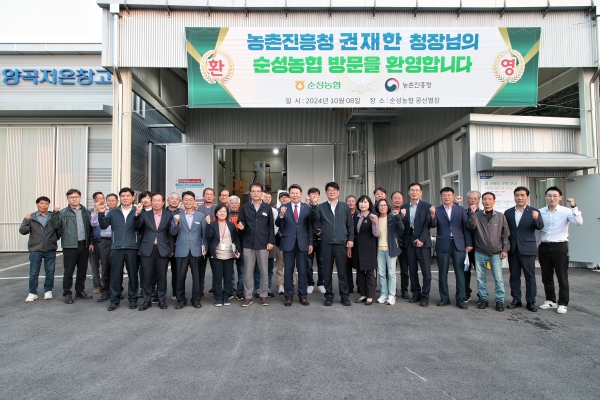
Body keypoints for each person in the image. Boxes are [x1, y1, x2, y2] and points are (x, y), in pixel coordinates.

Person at [536, 187, 583, 314]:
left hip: (560, 246)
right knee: (546, 275)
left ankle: (563, 303)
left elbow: (579, 222)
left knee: (562, 275)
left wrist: (574, 206)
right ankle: (550, 300)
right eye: (549, 195)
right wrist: (537, 248)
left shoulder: (566, 211)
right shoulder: (540, 212)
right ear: (545, 197)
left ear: (560, 198)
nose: (552, 198)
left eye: (555, 196)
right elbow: (538, 232)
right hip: (544, 246)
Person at [96, 187, 141, 311]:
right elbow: (103, 226)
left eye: (128, 196)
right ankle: (114, 300)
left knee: (133, 275)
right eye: (123, 196)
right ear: (120, 198)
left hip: (132, 247)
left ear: (133, 197)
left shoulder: (137, 210)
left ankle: (133, 299)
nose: (125, 198)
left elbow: (140, 226)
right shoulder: (113, 212)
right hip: (116, 247)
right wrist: (101, 213)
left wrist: (138, 214)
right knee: (115, 275)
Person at [312, 182, 354, 306]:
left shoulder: (344, 207)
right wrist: (314, 206)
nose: (332, 192)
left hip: (341, 243)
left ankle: (344, 296)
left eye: (335, 190)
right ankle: (329, 296)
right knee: (327, 271)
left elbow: (350, 225)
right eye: (329, 190)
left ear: (338, 192)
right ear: (326, 192)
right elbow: (315, 219)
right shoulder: (321, 207)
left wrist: (350, 239)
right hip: (326, 243)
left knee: (342, 272)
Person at [430, 187, 472, 310]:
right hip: (443, 243)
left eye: (449, 195)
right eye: (444, 195)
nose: (447, 197)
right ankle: (444, 298)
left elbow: (465, 227)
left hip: (459, 243)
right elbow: (432, 225)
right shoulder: (437, 210)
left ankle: (460, 298)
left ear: (453, 196)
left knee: (460, 272)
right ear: (441, 197)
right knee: (443, 272)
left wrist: (468, 243)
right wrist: (432, 214)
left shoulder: (460, 209)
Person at [468, 192, 510, 312]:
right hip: (480, 252)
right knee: (480, 278)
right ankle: (483, 299)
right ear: (482, 201)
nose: (487, 201)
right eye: (485, 199)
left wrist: (505, 249)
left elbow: (505, 235)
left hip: (496, 252)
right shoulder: (477, 215)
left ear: (494, 201)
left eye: (490, 199)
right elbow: (471, 226)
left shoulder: (500, 216)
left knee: (498, 278)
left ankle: (499, 300)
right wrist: (472, 214)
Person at [50, 189, 94, 304]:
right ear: (68, 199)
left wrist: (91, 242)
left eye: (76, 197)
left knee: (82, 270)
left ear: (80, 197)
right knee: (69, 271)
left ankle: (80, 291)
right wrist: (55, 212)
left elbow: (90, 229)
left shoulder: (86, 212)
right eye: (71, 197)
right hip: (70, 245)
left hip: (84, 245)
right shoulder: (62, 213)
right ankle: (67, 293)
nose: (74, 199)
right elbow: (55, 225)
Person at [504, 186, 544, 312]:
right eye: (517, 195)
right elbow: (506, 231)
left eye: (522, 195)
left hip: (527, 248)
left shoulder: (534, 211)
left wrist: (536, 218)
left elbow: (540, 226)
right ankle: (516, 299)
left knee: (529, 276)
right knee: (514, 275)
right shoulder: (508, 212)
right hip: (513, 249)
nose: (519, 198)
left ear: (528, 197)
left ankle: (531, 301)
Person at [276, 184, 314, 306]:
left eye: (297, 193)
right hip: (288, 243)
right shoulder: (284, 207)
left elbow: (310, 227)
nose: (295, 195)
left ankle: (303, 295)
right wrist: (281, 215)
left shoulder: (307, 208)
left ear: (301, 194)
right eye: (292, 193)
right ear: (290, 194)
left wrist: (311, 243)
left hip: (303, 243)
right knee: (288, 270)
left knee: (303, 271)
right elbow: (277, 223)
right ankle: (288, 296)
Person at [135, 193, 174, 311]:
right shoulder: (144, 214)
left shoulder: (168, 215)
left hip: (162, 249)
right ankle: (146, 301)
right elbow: (137, 225)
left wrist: (171, 249)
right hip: (147, 248)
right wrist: (137, 213)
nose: (156, 203)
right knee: (147, 276)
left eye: (159, 200)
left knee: (162, 276)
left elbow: (170, 234)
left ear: (163, 202)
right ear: (151, 202)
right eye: (154, 200)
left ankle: (161, 300)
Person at [238, 182, 275, 307]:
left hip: (263, 243)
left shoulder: (267, 207)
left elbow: (270, 226)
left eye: (258, 191)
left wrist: (271, 242)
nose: (255, 193)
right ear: (250, 193)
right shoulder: (245, 207)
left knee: (264, 271)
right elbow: (241, 221)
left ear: (262, 193)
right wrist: (241, 226)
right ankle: (248, 296)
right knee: (248, 272)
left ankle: (263, 296)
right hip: (248, 243)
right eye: (253, 191)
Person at [170, 191, 208, 309]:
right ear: (182, 201)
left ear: (194, 201)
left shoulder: (200, 216)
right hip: (181, 250)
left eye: (191, 199)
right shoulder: (177, 216)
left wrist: (205, 247)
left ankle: (196, 299)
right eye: (186, 199)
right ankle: (180, 300)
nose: (188, 202)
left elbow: (204, 234)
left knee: (196, 276)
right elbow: (172, 233)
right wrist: (176, 223)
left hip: (196, 250)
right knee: (180, 276)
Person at [20, 196, 60, 302]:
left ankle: (48, 291)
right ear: (37, 204)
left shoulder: (53, 216)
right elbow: (23, 231)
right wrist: (26, 221)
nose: (44, 206)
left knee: (50, 271)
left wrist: (53, 239)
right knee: (34, 272)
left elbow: (58, 230)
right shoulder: (31, 217)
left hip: (50, 248)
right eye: (42, 203)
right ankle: (32, 293)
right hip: (36, 249)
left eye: (46, 203)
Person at [400, 183, 433, 307]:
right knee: (412, 270)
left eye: (417, 190)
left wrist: (422, 239)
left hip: (423, 241)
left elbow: (428, 224)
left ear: (421, 192)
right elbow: (401, 226)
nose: (414, 192)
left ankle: (425, 296)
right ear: (409, 192)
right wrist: (401, 217)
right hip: (409, 240)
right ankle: (416, 293)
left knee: (426, 272)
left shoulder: (427, 206)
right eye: (412, 190)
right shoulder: (404, 207)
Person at [207, 204, 242, 306]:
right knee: (217, 277)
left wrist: (238, 249)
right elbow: (208, 236)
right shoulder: (213, 225)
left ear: (227, 214)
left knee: (228, 277)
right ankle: (218, 298)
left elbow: (236, 238)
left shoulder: (231, 225)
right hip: (216, 255)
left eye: (224, 211)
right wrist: (208, 224)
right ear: (216, 213)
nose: (222, 213)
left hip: (229, 254)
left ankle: (226, 297)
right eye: (220, 211)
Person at [374, 198, 404, 305]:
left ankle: (392, 295)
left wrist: (398, 217)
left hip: (391, 249)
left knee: (391, 273)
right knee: (381, 273)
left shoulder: (392, 217)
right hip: (379, 249)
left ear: (388, 207)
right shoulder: (376, 218)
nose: (382, 207)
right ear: (377, 207)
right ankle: (384, 294)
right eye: (380, 205)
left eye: (384, 205)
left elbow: (402, 229)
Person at [352, 196, 380, 305]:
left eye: (365, 202)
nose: (363, 204)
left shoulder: (372, 216)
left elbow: (376, 234)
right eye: (361, 202)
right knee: (359, 272)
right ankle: (363, 294)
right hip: (357, 248)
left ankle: (370, 296)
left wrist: (375, 222)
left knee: (369, 273)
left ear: (369, 204)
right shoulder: (355, 216)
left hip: (369, 248)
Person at [95, 193, 118, 302]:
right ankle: (105, 291)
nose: (110, 202)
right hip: (105, 241)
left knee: (116, 268)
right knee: (105, 266)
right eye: (108, 200)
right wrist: (98, 212)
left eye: (113, 200)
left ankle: (116, 291)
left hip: (117, 241)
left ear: (117, 201)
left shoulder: (120, 212)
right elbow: (94, 223)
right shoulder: (103, 211)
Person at [254, 191, 276, 297]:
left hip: (271, 241)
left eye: (269, 197)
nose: (267, 199)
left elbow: (274, 227)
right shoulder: (256, 209)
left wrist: (271, 240)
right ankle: (258, 288)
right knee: (258, 267)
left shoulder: (274, 211)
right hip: (259, 242)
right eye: (265, 197)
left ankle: (268, 287)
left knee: (269, 267)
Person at [391, 191, 410, 299]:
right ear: (391, 200)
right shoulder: (388, 211)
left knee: (404, 269)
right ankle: (392, 290)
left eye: (399, 198)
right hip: (392, 244)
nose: (397, 200)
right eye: (395, 198)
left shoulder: (407, 211)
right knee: (391, 269)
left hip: (404, 244)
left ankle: (404, 290)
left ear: (403, 200)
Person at [306, 187, 325, 294]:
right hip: (309, 240)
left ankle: (321, 284)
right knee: (308, 264)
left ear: (319, 196)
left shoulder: (322, 207)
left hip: (321, 240)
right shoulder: (305, 207)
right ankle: (310, 284)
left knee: (321, 263)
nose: (314, 196)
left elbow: (326, 222)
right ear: (309, 196)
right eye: (312, 194)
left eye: (316, 194)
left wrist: (322, 231)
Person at [464, 191, 481, 302]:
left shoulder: (483, 213)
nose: (473, 200)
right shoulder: (463, 212)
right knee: (465, 271)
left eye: (475, 198)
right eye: (471, 198)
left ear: (479, 200)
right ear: (467, 200)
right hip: (465, 247)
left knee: (480, 272)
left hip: (479, 247)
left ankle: (482, 295)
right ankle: (466, 293)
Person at [198, 188, 216, 297]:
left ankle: (216, 289)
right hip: (202, 243)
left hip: (214, 243)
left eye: (211, 194)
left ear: (214, 197)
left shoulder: (217, 208)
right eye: (207, 194)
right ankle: (200, 290)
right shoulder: (198, 208)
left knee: (216, 269)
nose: (209, 196)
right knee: (200, 269)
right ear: (203, 196)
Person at [228, 195, 245, 300]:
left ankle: (240, 291)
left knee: (242, 271)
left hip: (242, 246)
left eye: (236, 203)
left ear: (239, 205)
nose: (234, 205)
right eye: (232, 203)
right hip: (228, 246)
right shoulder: (224, 215)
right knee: (229, 271)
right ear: (229, 204)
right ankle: (230, 290)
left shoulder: (243, 215)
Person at [165, 192, 182, 299]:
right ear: (168, 200)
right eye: (172, 198)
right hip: (163, 246)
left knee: (176, 272)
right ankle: (159, 294)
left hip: (177, 246)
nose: (174, 200)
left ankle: (176, 293)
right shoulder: (162, 212)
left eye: (177, 199)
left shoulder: (182, 214)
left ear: (179, 201)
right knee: (160, 272)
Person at [137, 190, 153, 299]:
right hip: (141, 242)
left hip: (155, 243)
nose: (145, 200)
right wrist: (137, 213)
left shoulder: (157, 211)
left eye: (148, 198)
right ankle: (143, 288)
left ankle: (153, 288)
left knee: (154, 268)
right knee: (143, 267)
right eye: (143, 198)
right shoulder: (138, 211)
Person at [275, 191, 291, 295]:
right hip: (280, 241)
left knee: (291, 265)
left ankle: (291, 284)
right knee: (280, 265)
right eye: (282, 197)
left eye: (286, 197)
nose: (284, 199)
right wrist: (279, 233)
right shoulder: (276, 211)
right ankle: (280, 285)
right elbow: (274, 225)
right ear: (279, 200)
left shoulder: (293, 210)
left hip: (291, 241)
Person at [89, 191, 105, 294]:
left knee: (106, 265)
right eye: (99, 198)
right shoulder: (90, 212)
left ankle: (106, 285)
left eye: (102, 198)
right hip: (94, 242)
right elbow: (89, 229)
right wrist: (90, 242)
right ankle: (97, 285)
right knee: (94, 266)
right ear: (94, 200)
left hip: (105, 241)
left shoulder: (107, 211)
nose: (101, 200)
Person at [345, 195, 358, 293]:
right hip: (346, 243)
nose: (351, 203)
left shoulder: (359, 214)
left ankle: (360, 286)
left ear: (356, 203)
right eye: (349, 201)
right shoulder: (343, 214)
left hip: (358, 243)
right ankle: (349, 286)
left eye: (353, 201)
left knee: (359, 266)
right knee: (347, 266)